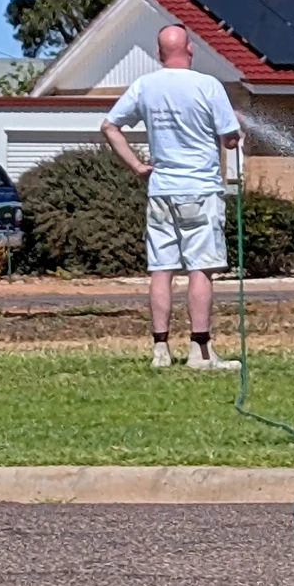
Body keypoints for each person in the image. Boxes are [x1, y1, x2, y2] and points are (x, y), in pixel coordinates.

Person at [101, 23, 242, 371]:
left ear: (159, 53)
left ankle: (160, 350)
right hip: (200, 190)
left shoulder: (145, 86)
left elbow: (109, 126)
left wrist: (137, 165)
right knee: (200, 269)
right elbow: (230, 140)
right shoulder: (208, 85)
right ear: (190, 48)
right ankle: (200, 351)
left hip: (161, 189)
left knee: (161, 269)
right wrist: (234, 130)